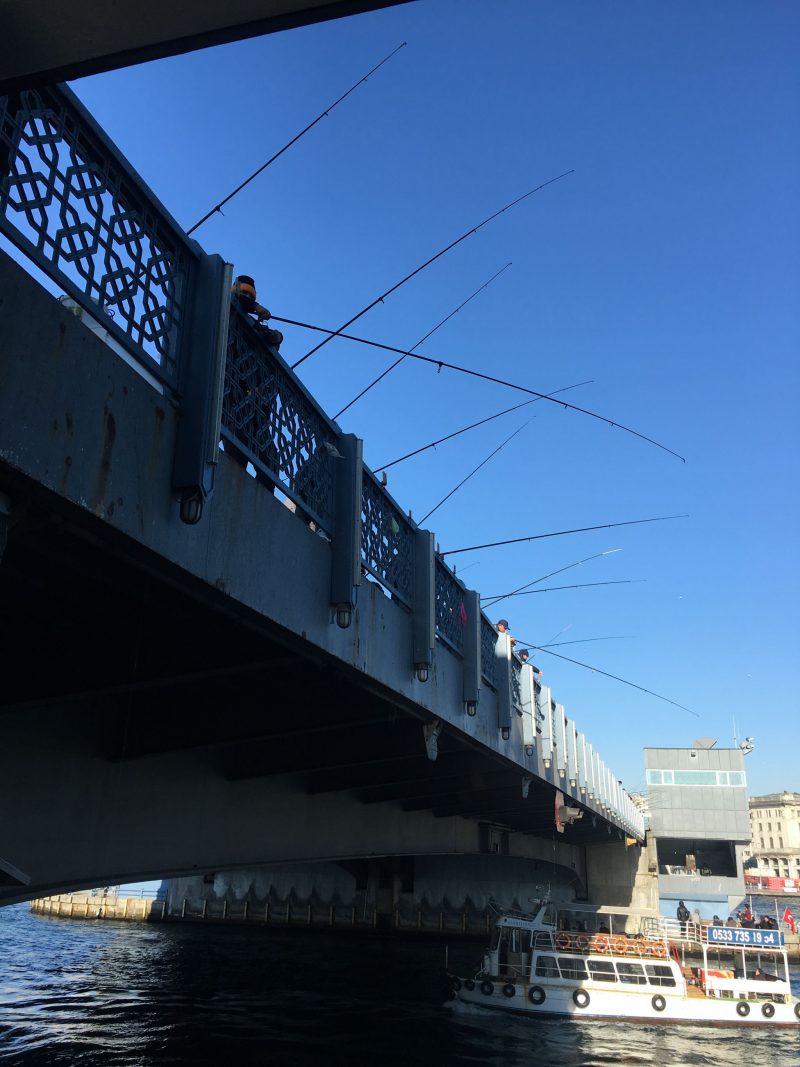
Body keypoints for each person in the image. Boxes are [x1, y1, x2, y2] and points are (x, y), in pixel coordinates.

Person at [231, 274, 284, 348]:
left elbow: (268, 338)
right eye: (244, 292)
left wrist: (277, 337)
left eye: (251, 296)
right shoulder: (223, 298)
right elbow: (238, 299)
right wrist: (256, 306)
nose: (247, 296)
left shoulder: (247, 318)